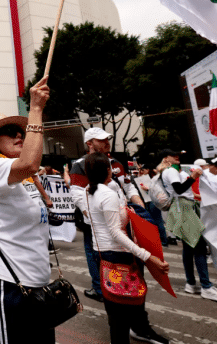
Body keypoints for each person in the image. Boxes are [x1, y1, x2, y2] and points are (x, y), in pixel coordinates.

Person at [0, 77, 55, 344]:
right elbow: (30, 163)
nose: (19, 134)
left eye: (19, 131)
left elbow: (34, 170)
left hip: (39, 286)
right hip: (7, 287)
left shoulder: (22, 177)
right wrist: (35, 109)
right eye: (10, 131)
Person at [84, 152, 170, 344]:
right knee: (122, 311)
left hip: (103, 253)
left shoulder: (89, 190)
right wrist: (149, 257)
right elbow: (116, 233)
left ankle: (139, 330)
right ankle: (135, 333)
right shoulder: (107, 194)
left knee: (118, 309)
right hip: (118, 255)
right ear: (108, 170)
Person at [69, 127, 143, 303]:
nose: (106, 142)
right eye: (101, 140)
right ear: (90, 143)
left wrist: (139, 203)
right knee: (97, 254)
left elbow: (128, 185)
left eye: (107, 139)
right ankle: (100, 288)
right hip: (96, 223)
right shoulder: (80, 164)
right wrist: (94, 217)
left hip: (122, 218)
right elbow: (78, 195)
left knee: (121, 256)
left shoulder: (116, 162)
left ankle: (121, 287)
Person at [161, 149, 217, 302]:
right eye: (174, 154)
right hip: (183, 208)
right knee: (199, 247)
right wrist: (193, 177)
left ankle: (191, 283)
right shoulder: (171, 171)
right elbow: (179, 189)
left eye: (178, 154)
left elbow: (184, 191)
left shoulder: (173, 170)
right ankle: (206, 286)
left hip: (185, 206)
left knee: (189, 247)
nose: (177, 156)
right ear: (166, 158)